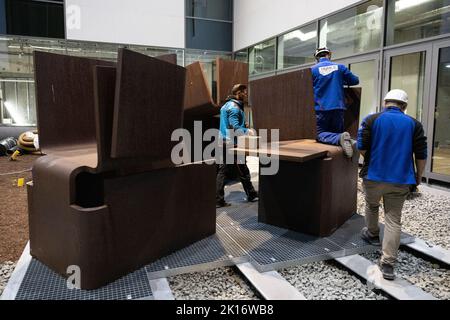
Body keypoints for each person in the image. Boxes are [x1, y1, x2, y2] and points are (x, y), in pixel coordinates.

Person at [357, 89, 427, 280]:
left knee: (372, 205)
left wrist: (371, 158)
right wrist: (418, 176)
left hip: (373, 175)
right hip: (401, 179)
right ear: (404, 106)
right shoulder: (414, 124)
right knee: (393, 219)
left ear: (385, 102)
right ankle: (388, 264)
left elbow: (361, 146)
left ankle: (371, 234)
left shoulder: (371, 120)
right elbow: (421, 155)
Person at [311, 47, 360, 158]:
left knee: (319, 134)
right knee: (337, 134)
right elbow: (355, 80)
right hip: (339, 107)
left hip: (321, 108)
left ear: (317, 58)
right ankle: (344, 145)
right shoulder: (340, 67)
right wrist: (340, 80)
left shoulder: (312, 70)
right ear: (329, 55)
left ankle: (340, 139)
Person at [216, 84, 258, 208]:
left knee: (222, 171)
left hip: (222, 141)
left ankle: (218, 200)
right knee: (243, 169)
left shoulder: (225, 106)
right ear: (238, 93)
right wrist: (247, 131)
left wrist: (243, 125)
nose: (246, 94)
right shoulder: (235, 107)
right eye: (244, 92)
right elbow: (234, 125)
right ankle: (251, 195)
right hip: (232, 143)